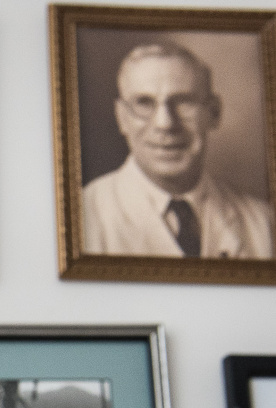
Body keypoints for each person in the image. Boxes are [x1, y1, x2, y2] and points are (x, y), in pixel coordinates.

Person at [82, 41, 274, 259]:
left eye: (183, 102)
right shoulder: (82, 216)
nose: (165, 123)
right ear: (122, 117)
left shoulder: (264, 224)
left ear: (214, 113)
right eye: (144, 103)